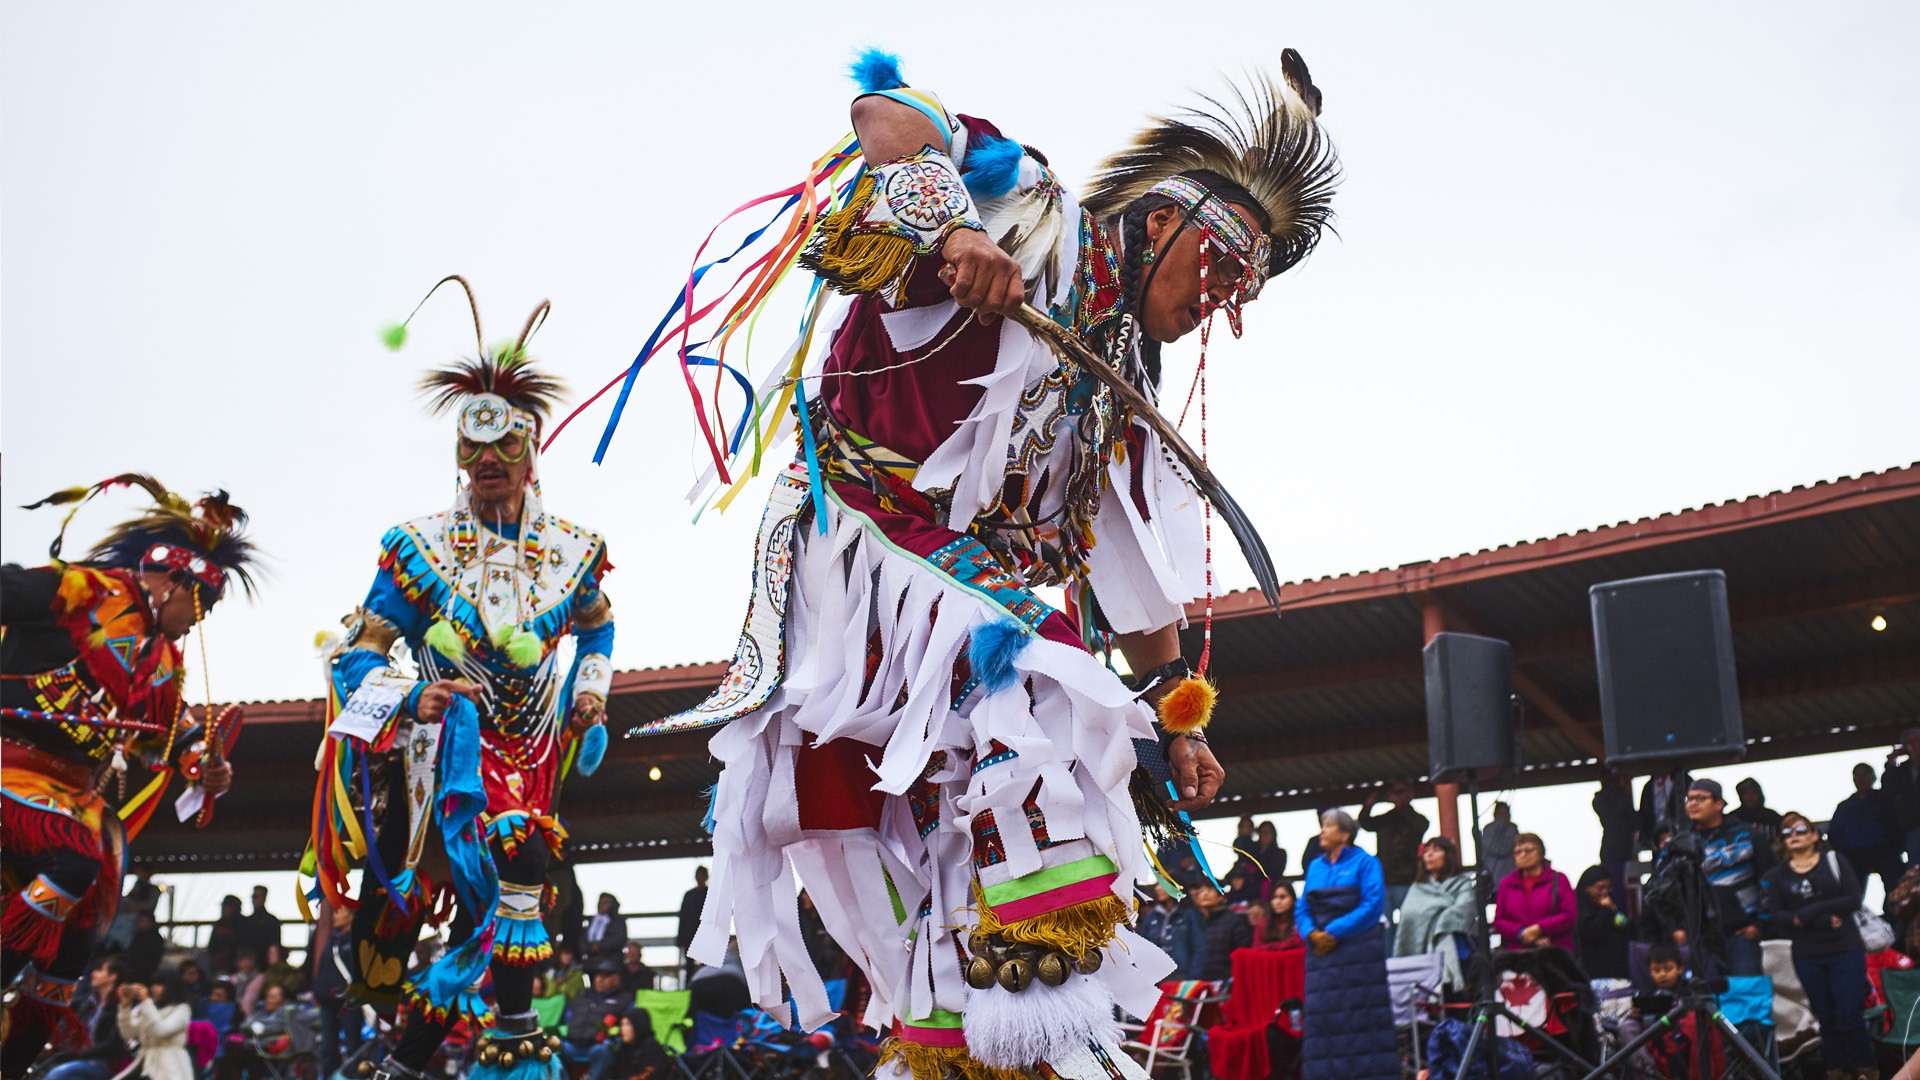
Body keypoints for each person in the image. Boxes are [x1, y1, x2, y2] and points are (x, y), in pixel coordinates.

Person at [633, 48, 1337, 1080]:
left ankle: (965, 1042)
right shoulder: (1034, 216)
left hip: (947, 605)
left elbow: (1130, 573)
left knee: (951, 843)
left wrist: (1177, 713)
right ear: (1159, 225)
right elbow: (886, 109)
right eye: (1221, 268)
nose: (1218, 305)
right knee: (1043, 680)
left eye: (1244, 291)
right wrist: (958, 229)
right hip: (861, 538)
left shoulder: (1118, 381)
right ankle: (1046, 1021)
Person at [306, 285, 618, 1080]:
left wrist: (592, 693)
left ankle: (448, 1055)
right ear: (457, 456)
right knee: (501, 879)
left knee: (519, 888)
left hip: (536, 747)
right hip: (446, 751)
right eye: (473, 451)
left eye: (503, 449)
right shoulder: (417, 549)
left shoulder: (572, 549)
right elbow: (356, 655)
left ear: (530, 451)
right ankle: (476, 1042)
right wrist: (415, 695)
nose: (487, 464)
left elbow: (598, 624)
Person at [2, 477, 257, 1075]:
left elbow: (169, 741)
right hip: (10, 765)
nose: (199, 622)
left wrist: (206, 766)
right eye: (202, 605)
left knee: (79, 936)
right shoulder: (87, 590)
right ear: (172, 580)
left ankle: (13, 1061)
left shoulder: (164, 661)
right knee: (74, 862)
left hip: (72, 792)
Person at [1761, 811, 1875, 1080]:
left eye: (1800, 830)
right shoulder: (1778, 874)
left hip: (1844, 948)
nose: (1793, 836)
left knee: (1850, 1014)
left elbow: (1853, 899)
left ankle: (1866, 1069)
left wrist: (1812, 912)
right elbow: (1775, 915)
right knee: (1826, 1017)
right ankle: (1835, 1070)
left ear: (1814, 835)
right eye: (1787, 833)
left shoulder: (1834, 861)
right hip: (1807, 953)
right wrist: (1816, 920)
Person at [1296, 809, 1396, 1080]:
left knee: (1362, 1020)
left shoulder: (1366, 863)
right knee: (1323, 1021)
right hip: (1321, 955)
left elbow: (1372, 905)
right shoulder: (1316, 866)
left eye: (1327, 826)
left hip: (1357, 951)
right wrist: (1310, 933)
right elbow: (1303, 905)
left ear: (1345, 833)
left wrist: (1333, 931)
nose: (1322, 832)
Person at [1687, 777, 1773, 975]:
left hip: (1742, 935)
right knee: (1705, 1001)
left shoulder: (1747, 835)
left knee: (1746, 999)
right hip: (1699, 940)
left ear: (1719, 804)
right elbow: (1667, 889)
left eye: (1700, 798)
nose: (1693, 804)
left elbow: (1769, 880)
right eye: (1689, 799)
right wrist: (1677, 929)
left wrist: (1760, 924)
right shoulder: (1682, 842)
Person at [40, 958, 132, 1080]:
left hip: (103, 1063)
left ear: (112, 977)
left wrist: (77, 1054)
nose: (93, 973)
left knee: (57, 1075)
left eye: (99, 970)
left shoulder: (121, 1008)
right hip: (78, 1056)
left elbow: (112, 1045)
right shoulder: (89, 1000)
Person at [1831, 762, 1905, 901]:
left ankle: (1893, 916)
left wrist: (1894, 846)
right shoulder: (1845, 806)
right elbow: (1834, 834)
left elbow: (1897, 826)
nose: (1862, 779)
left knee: (1894, 882)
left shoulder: (1885, 800)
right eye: (1857, 775)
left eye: (1865, 775)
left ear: (1873, 778)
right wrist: (1844, 850)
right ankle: (1857, 918)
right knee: (1852, 890)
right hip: (1854, 853)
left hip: (1883, 850)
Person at [1492, 832, 1576, 952]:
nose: (1523, 855)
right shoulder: (1506, 884)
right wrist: (1522, 933)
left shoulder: (1559, 880)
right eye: (1518, 852)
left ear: (1541, 853)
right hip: (1519, 956)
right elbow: (1499, 921)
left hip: (1555, 953)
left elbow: (1569, 916)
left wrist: (1540, 928)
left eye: (1528, 850)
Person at [1394, 837, 1475, 960]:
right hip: (1420, 956)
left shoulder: (1463, 883)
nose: (1429, 855)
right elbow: (1408, 916)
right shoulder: (1417, 888)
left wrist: (1436, 921)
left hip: (1457, 948)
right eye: (1426, 851)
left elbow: (1464, 910)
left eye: (1436, 850)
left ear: (1448, 855)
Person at [1358, 781, 1428, 916]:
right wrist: (1368, 805)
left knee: (1409, 922)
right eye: (1394, 792)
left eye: (1401, 791)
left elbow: (1422, 826)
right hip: (1385, 880)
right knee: (1386, 926)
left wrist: (1402, 806)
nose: (1396, 795)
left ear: (1410, 794)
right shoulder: (1386, 818)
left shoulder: (1417, 819)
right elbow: (1365, 824)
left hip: (1408, 880)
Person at [312, 905, 362, 1079]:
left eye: (339, 912)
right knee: (328, 1050)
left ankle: (354, 1077)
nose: (334, 916)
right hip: (327, 1002)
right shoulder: (332, 941)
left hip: (349, 1002)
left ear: (350, 916)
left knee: (353, 1046)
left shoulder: (357, 941)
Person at [117, 966, 194, 1080]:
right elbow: (128, 1033)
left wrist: (145, 1002)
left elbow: (160, 1030)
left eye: (159, 985)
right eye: (153, 984)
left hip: (171, 1067)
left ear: (171, 987)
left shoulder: (182, 1009)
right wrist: (125, 1006)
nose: (153, 988)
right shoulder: (147, 1006)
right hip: (146, 1064)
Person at [561, 957, 630, 1075]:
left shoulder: (624, 1000)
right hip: (572, 1045)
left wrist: (613, 1038)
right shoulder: (581, 998)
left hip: (597, 1046)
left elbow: (628, 1026)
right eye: (597, 976)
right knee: (552, 1048)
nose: (598, 980)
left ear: (616, 979)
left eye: (604, 976)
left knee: (605, 1049)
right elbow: (565, 1021)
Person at [1574, 866, 1632, 980]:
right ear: (1586, 888)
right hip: (1593, 970)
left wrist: (1613, 911)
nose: (1605, 892)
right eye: (1600, 888)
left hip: (1617, 968)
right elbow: (1593, 932)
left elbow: (1627, 927)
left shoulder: (1609, 905)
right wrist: (1606, 910)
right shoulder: (1579, 908)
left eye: (1608, 888)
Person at [1592, 774, 1638, 907]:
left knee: (1610, 885)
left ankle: (1613, 914)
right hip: (1621, 848)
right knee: (1618, 887)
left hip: (1607, 847)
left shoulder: (1600, 800)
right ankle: (1620, 919)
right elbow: (1636, 822)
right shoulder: (1621, 798)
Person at [592, 1008, 675, 1080]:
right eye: (622, 1024)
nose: (623, 1028)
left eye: (628, 1024)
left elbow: (648, 1076)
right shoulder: (624, 1049)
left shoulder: (652, 1048)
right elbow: (609, 1072)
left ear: (639, 1025)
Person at [1193, 881, 1251, 981]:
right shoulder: (1193, 922)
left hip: (1225, 980)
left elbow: (1242, 953)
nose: (1205, 894)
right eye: (1201, 891)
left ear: (1220, 897)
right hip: (1195, 982)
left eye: (1210, 890)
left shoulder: (1234, 921)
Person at [1885, 728, 1920, 866]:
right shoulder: (1900, 770)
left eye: (1916, 741)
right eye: (1908, 742)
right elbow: (1888, 790)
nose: (1912, 745)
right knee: (1915, 870)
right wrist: (1891, 762)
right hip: (1912, 827)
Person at [1638, 769, 1693, 853]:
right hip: (1657, 841)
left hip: (1681, 835)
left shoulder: (1684, 780)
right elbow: (1644, 813)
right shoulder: (1649, 786)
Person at [675, 867, 707, 984]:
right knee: (689, 967)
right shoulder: (689, 895)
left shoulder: (710, 894)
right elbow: (683, 917)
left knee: (706, 964)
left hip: (705, 935)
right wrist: (680, 939)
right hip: (689, 935)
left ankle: (705, 988)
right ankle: (690, 989)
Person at [236, 885, 279, 970]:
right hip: (247, 965)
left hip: (265, 966)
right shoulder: (246, 922)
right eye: (253, 896)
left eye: (257, 896)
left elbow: (274, 945)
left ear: (264, 898)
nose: (254, 899)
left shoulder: (272, 921)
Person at [1253, 881, 1302, 949]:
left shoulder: (1301, 921)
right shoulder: (1263, 924)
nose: (1277, 902)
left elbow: (1302, 944)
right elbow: (1257, 949)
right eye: (1274, 898)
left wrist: (1271, 947)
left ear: (1293, 900)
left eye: (1282, 897)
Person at [1481, 802, 1518, 887]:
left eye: (1506, 814)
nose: (1504, 816)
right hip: (1493, 878)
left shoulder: (1513, 829)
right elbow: (1499, 849)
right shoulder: (1488, 830)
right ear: (1495, 815)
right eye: (1501, 813)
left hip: (1511, 878)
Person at [206, 895, 245, 974]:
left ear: (234, 909)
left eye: (226, 906)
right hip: (216, 961)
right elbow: (211, 946)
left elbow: (241, 947)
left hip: (235, 962)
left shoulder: (243, 924)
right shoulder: (219, 924)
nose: (223, 909)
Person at [585, 893, 628, 960]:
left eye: (606, 903)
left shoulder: (618, 921)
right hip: (591, 957)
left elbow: (619, 939)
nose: (602, 905)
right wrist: (588, 947)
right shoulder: (592, 920)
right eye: (600, 903)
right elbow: (584, 937)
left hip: (612, 958)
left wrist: (600, 945)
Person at [127, 911, 167, 983]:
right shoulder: (138, 936)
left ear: (150, 923)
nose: (138, 924)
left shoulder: (154, 939)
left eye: (142, 921)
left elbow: (148, 960)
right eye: (138, 921)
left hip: (144, 975)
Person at [1247, 820, 1289, 886]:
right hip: (1253, 889)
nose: (1265, 835)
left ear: (1273, 834)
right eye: (1262, 832)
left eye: (1268, 832)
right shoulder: (1252, 852)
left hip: (1272, 887)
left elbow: (1276, 872)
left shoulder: (1280, 853)